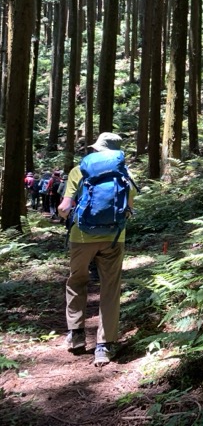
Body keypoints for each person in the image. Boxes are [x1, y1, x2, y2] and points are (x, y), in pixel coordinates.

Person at [58, 132, 136, 366]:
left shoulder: (79, 170)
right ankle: (104, 345)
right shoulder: (126, 173)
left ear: (97, 149)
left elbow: (64, 206)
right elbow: (129, 208)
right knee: (110, 289)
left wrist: (65, 216)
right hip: (114, 238)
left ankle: (76, 334)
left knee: (76, 281)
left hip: (81, 237)